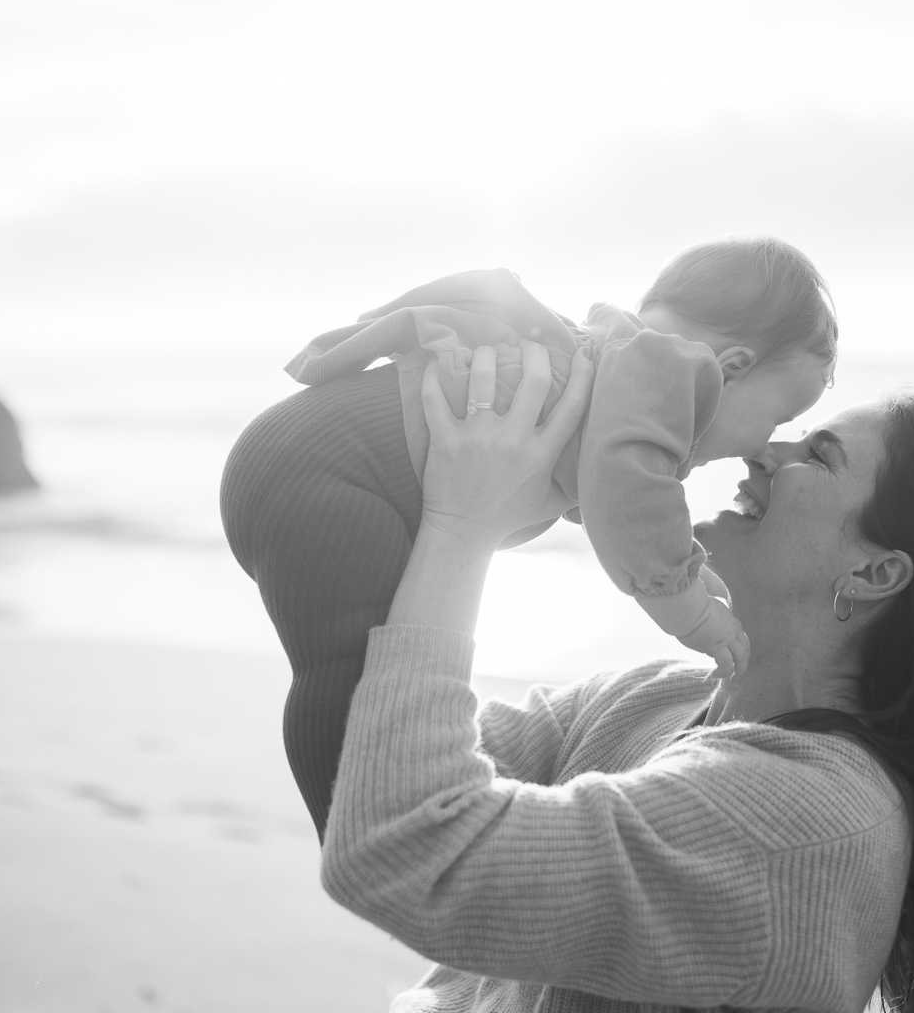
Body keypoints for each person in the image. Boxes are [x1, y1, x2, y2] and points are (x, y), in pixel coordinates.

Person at [320, 339, 914, 1013]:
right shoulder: (655, 696)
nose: (762, 450)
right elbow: (360, 759)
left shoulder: (805, 823)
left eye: (817, 456)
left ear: (874, 572)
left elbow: (407, 851)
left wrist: (460, 524)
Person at [220, 238, 836, 835]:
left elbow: (611, 498)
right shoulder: (669, 375)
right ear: (731, 369)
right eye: (778, 418)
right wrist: (688, 611)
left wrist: (685, 564)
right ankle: (363, 837)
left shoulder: (607, 363)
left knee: (351, 664)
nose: (763, 445)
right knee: (348, 673)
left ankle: (367, 828)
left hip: (303, 458)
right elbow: (631, 496)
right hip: (333, 472)